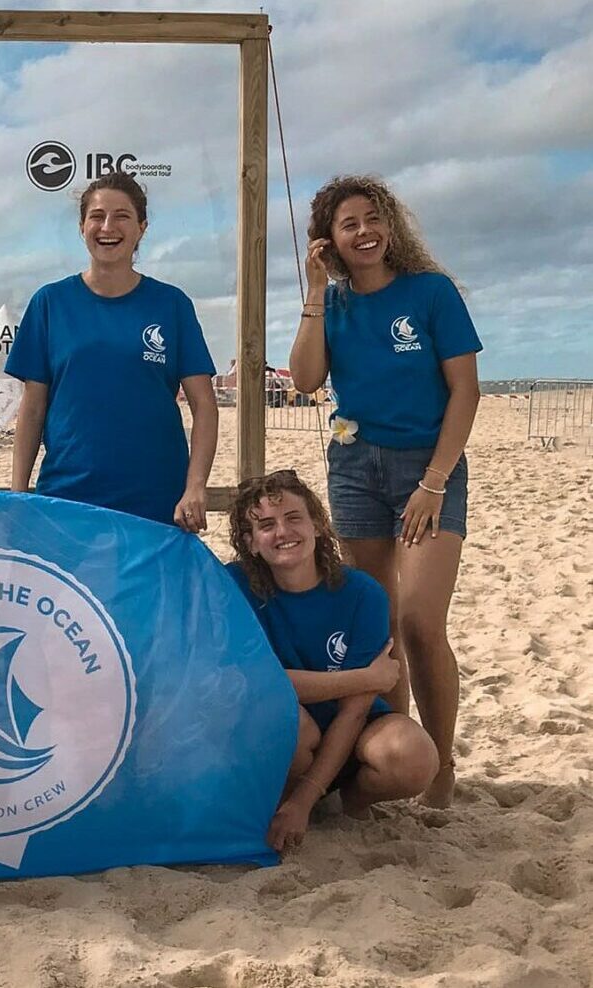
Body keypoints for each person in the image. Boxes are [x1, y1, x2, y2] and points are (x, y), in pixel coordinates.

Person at [289, 175, 481, 807]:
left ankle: (441, 764)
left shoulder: (431, 293)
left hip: (429, 468)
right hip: (354, 467)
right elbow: (307, 378)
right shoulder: (334, 303)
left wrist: (432, 482)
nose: (365, 231)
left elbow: (465, 392)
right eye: (349, 224)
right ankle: (396, 751)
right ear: (330, 241)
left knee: (420, 621)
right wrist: (315, 293)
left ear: (390, 226)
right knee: (379, 627)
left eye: (374, 218)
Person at [227, 470, 438, 853]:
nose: (283, 532)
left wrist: (307, 799)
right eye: (266, 525)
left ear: (319, 525)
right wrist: (365, 677)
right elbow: (264, 684)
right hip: (287, 734)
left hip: (352, 730)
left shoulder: (362, 592)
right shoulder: (236, 586)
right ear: (250, 543)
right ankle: (283, 802)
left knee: (414, 757)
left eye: (294, 518)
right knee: (289, 724)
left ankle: (345, 802)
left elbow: (354, 710)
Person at [6, 171, 218, 531]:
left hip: (157, 501)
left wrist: (195, 486)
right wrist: (18, 494)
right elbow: (33, 408)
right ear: (82, 226)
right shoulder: (49, 303)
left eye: (122, 216)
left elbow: (204, 405)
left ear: (142, 227)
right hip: (67, 497)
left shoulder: (171, 304)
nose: (108, 226)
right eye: (97, 216)